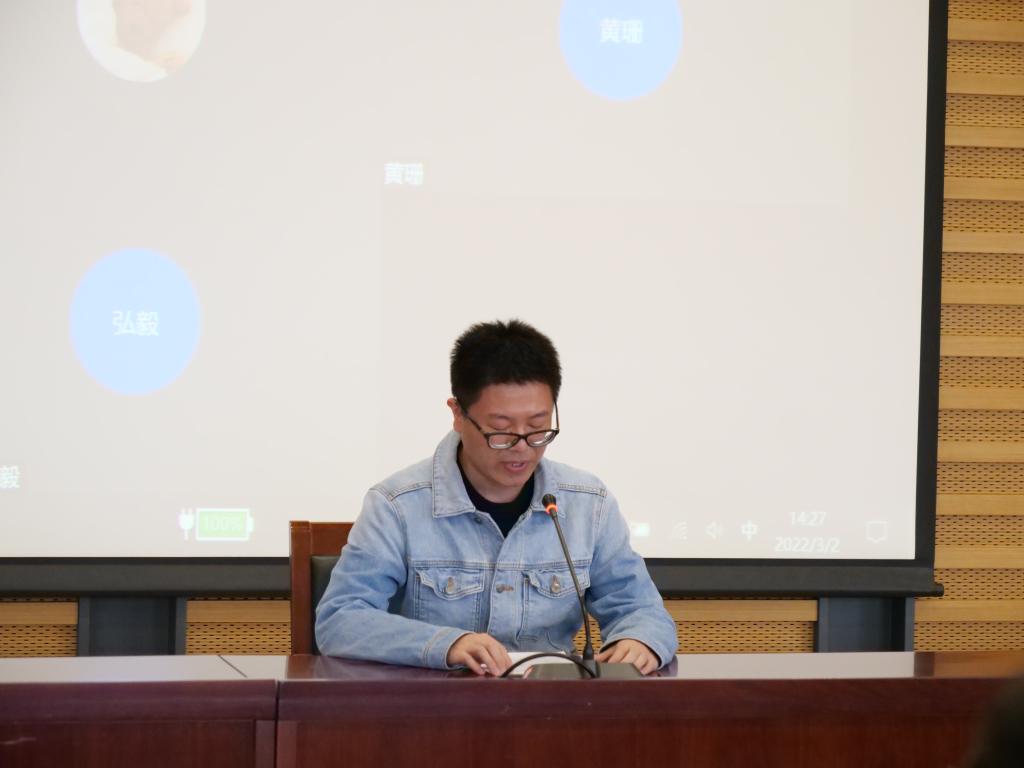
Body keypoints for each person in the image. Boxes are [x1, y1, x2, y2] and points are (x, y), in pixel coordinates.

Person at [315, 319, 678, 675]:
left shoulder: (588, 504)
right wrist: (446, 644)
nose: (521, 447)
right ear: (458, 414)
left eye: (537, 427)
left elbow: (641, 610)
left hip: (551, 704)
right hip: (438, 705)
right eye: (501, 431)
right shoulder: (397, 505)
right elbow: (341, 620)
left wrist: (640, 639)